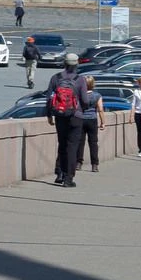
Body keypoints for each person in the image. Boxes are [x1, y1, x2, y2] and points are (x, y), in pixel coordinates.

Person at [46, 53, 89, 187]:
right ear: (76, 64)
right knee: (72, 147)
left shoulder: (56, 78)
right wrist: (83, 109)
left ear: (64, 63)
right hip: (76, 116)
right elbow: (85, 100)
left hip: (60, 116)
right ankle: (68, 179)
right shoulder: (80, 80)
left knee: (62, 145)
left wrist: (49, 115)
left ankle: (60, 173)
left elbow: (49, 98)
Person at [78, 75, 105, 173]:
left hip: (81, 119)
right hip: (92, 120)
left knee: (80, 142)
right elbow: (100, 109)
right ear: (93, 84)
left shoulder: (79, 95)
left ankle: (78, 163)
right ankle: (94, 165)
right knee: (93, 143)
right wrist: (103, 122)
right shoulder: (97, 95)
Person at [132, 77, 141, 157]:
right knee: (140, 132)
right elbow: (133, 104)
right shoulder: (136, 92)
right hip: (138, 113)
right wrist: (131, 116)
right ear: (139, 83)